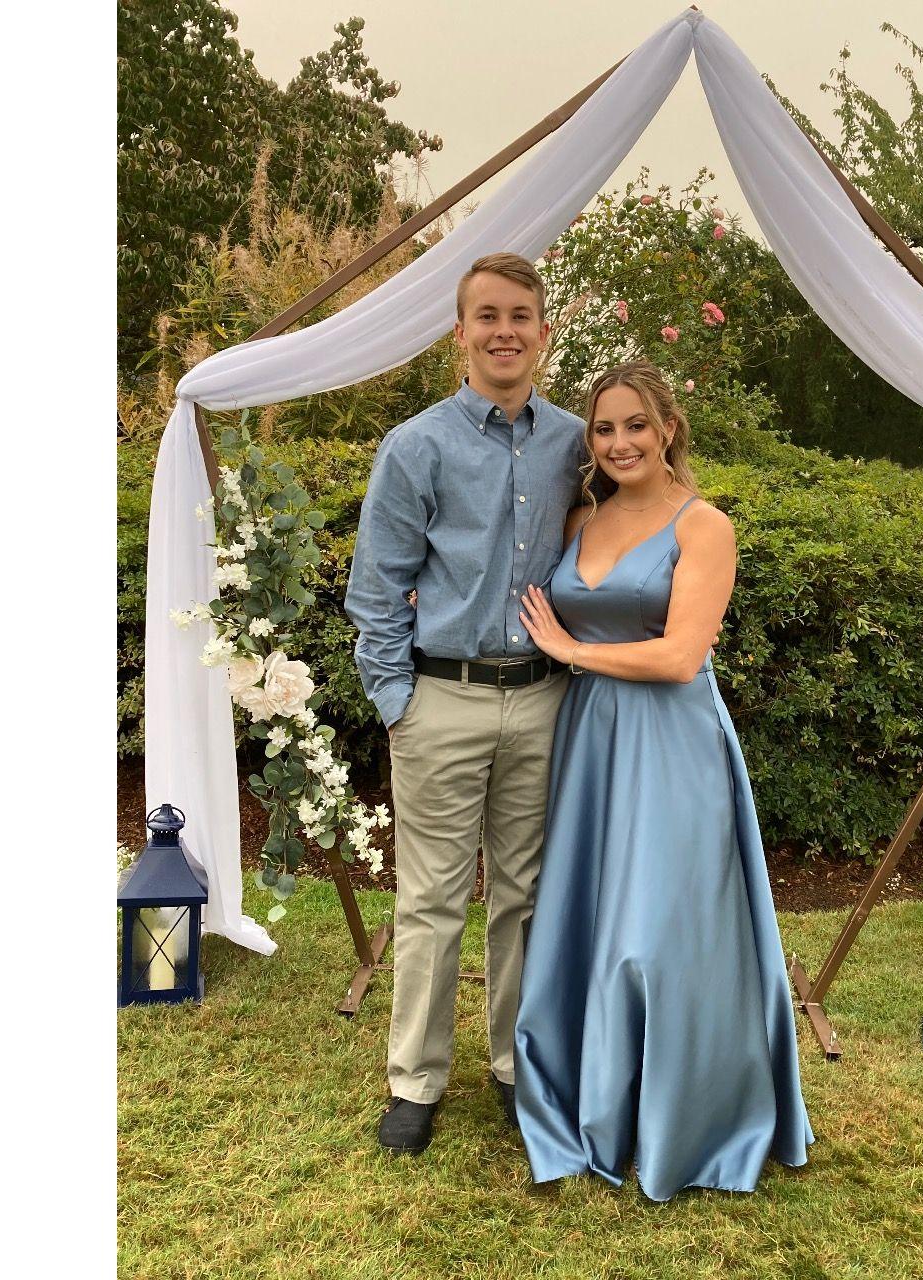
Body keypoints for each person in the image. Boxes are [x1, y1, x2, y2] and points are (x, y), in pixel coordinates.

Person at [512, 360, 814, 1201]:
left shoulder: (702, 525)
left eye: (636, 425)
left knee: (656, 930)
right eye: (604, 429)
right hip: (591, 741)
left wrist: (572, 651)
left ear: (669, 429)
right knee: (593, 911)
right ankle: (591, 1090)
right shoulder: (581, 518)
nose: (620, 443)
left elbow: (683, 656)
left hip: (673, 742)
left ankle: (683, 1114)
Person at [345, 253, 585, 1155]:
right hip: (441, 700)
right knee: (432, 899)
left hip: (544, 701)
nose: (504, 331)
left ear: (543, 332)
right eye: (487, 316)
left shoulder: (575, 445)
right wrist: (397, 703)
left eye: (520, 315)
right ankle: (415, 1080)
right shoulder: (416, 446)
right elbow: (377, 590)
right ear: (461, 332)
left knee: (527, 896)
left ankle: (516, 1066)